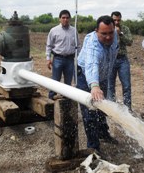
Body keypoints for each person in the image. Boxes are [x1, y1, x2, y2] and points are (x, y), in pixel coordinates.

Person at [77, 15, 119, 152]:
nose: (108, 37)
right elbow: (91, 64)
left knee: (102, 108)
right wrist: (94, 86)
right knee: (90, 111)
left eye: (110, 33)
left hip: (103, 76)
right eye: (104, 34)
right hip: (85, 77)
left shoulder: (115, 35)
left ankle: (103, 133)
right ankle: (93, 147)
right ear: (96, 31)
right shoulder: (93, 44)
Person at [46, 9, 80, 100]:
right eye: (63, 18)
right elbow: (49, 45)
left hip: (70, 60)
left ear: (70, 19)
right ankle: (51, 98)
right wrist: (48, 59)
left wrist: (78, 59)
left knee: (68, 82)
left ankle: (66, 100)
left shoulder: (74, 30)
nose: (65, 19)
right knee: (55, 80)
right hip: (58, 59)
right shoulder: (54, 31)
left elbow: (78, 46)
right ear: (59, 19)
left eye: (67, 18)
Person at [108, 11, 133, 110]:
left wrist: (120, 34)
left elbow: (130, 42)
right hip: (111, 60)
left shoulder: (125, 29)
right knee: (110, 86)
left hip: (122, 59)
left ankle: (128, 109)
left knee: (126, 85)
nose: (117, 22)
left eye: (118, 20)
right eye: (114, 20)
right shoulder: (108, 29)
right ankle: (112, 108)